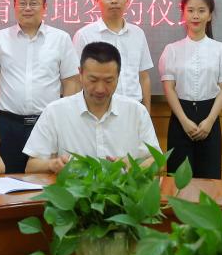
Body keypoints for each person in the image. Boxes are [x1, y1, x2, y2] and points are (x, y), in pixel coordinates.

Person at [0, 0, 80, 173]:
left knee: (46, 179)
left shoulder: (61, 39)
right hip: (9, 125)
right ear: (14, 7)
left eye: (33, 3)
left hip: (46, 123)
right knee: (8, 180)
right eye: (22, 3)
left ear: (44, 7)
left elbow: (71, 83)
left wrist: (64, 125)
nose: (27, 8)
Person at [23, 42, 158, 174]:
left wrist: (133, 166)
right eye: (93, 80)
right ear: (80, 74)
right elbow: (31, 166)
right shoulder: (55, 111)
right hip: (74, 188)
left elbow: (158, 162)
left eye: (108, 81)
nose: (100, 89)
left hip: (122, 188)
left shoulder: (136, 111)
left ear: (118, 76)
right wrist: (52, 165)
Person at [158, 0, 222, 178]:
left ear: (209, 15)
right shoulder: (172, 50)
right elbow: (169, 88)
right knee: (177, 179)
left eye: (201, 11)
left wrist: (210, 121)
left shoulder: (221, 50)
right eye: (190, 10)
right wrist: (184, 121)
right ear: (183, 14)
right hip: (180, 118)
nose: (195, 16)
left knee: (210, 178)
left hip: (210, 117)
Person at [72, 0, 154, 111]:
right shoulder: (84, 35)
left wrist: (147, 112)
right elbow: (77, 80)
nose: (114, 1)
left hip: (135, 108)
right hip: (99, 108)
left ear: (127, 0)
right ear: (97, 1)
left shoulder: (138, 34)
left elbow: (143, 77)